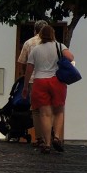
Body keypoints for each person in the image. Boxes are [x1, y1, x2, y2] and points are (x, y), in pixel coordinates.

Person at [21, 23, 75, 154]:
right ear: (53, 35)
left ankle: (47, 143)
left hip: (40, 82)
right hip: (57, 81)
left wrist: (25, 86)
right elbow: (71, 57)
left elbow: (29, 69)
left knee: (44, 114)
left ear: (40, 35)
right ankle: (57, 137)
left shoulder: (36, 50)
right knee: (59, 111)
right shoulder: (59, 46)